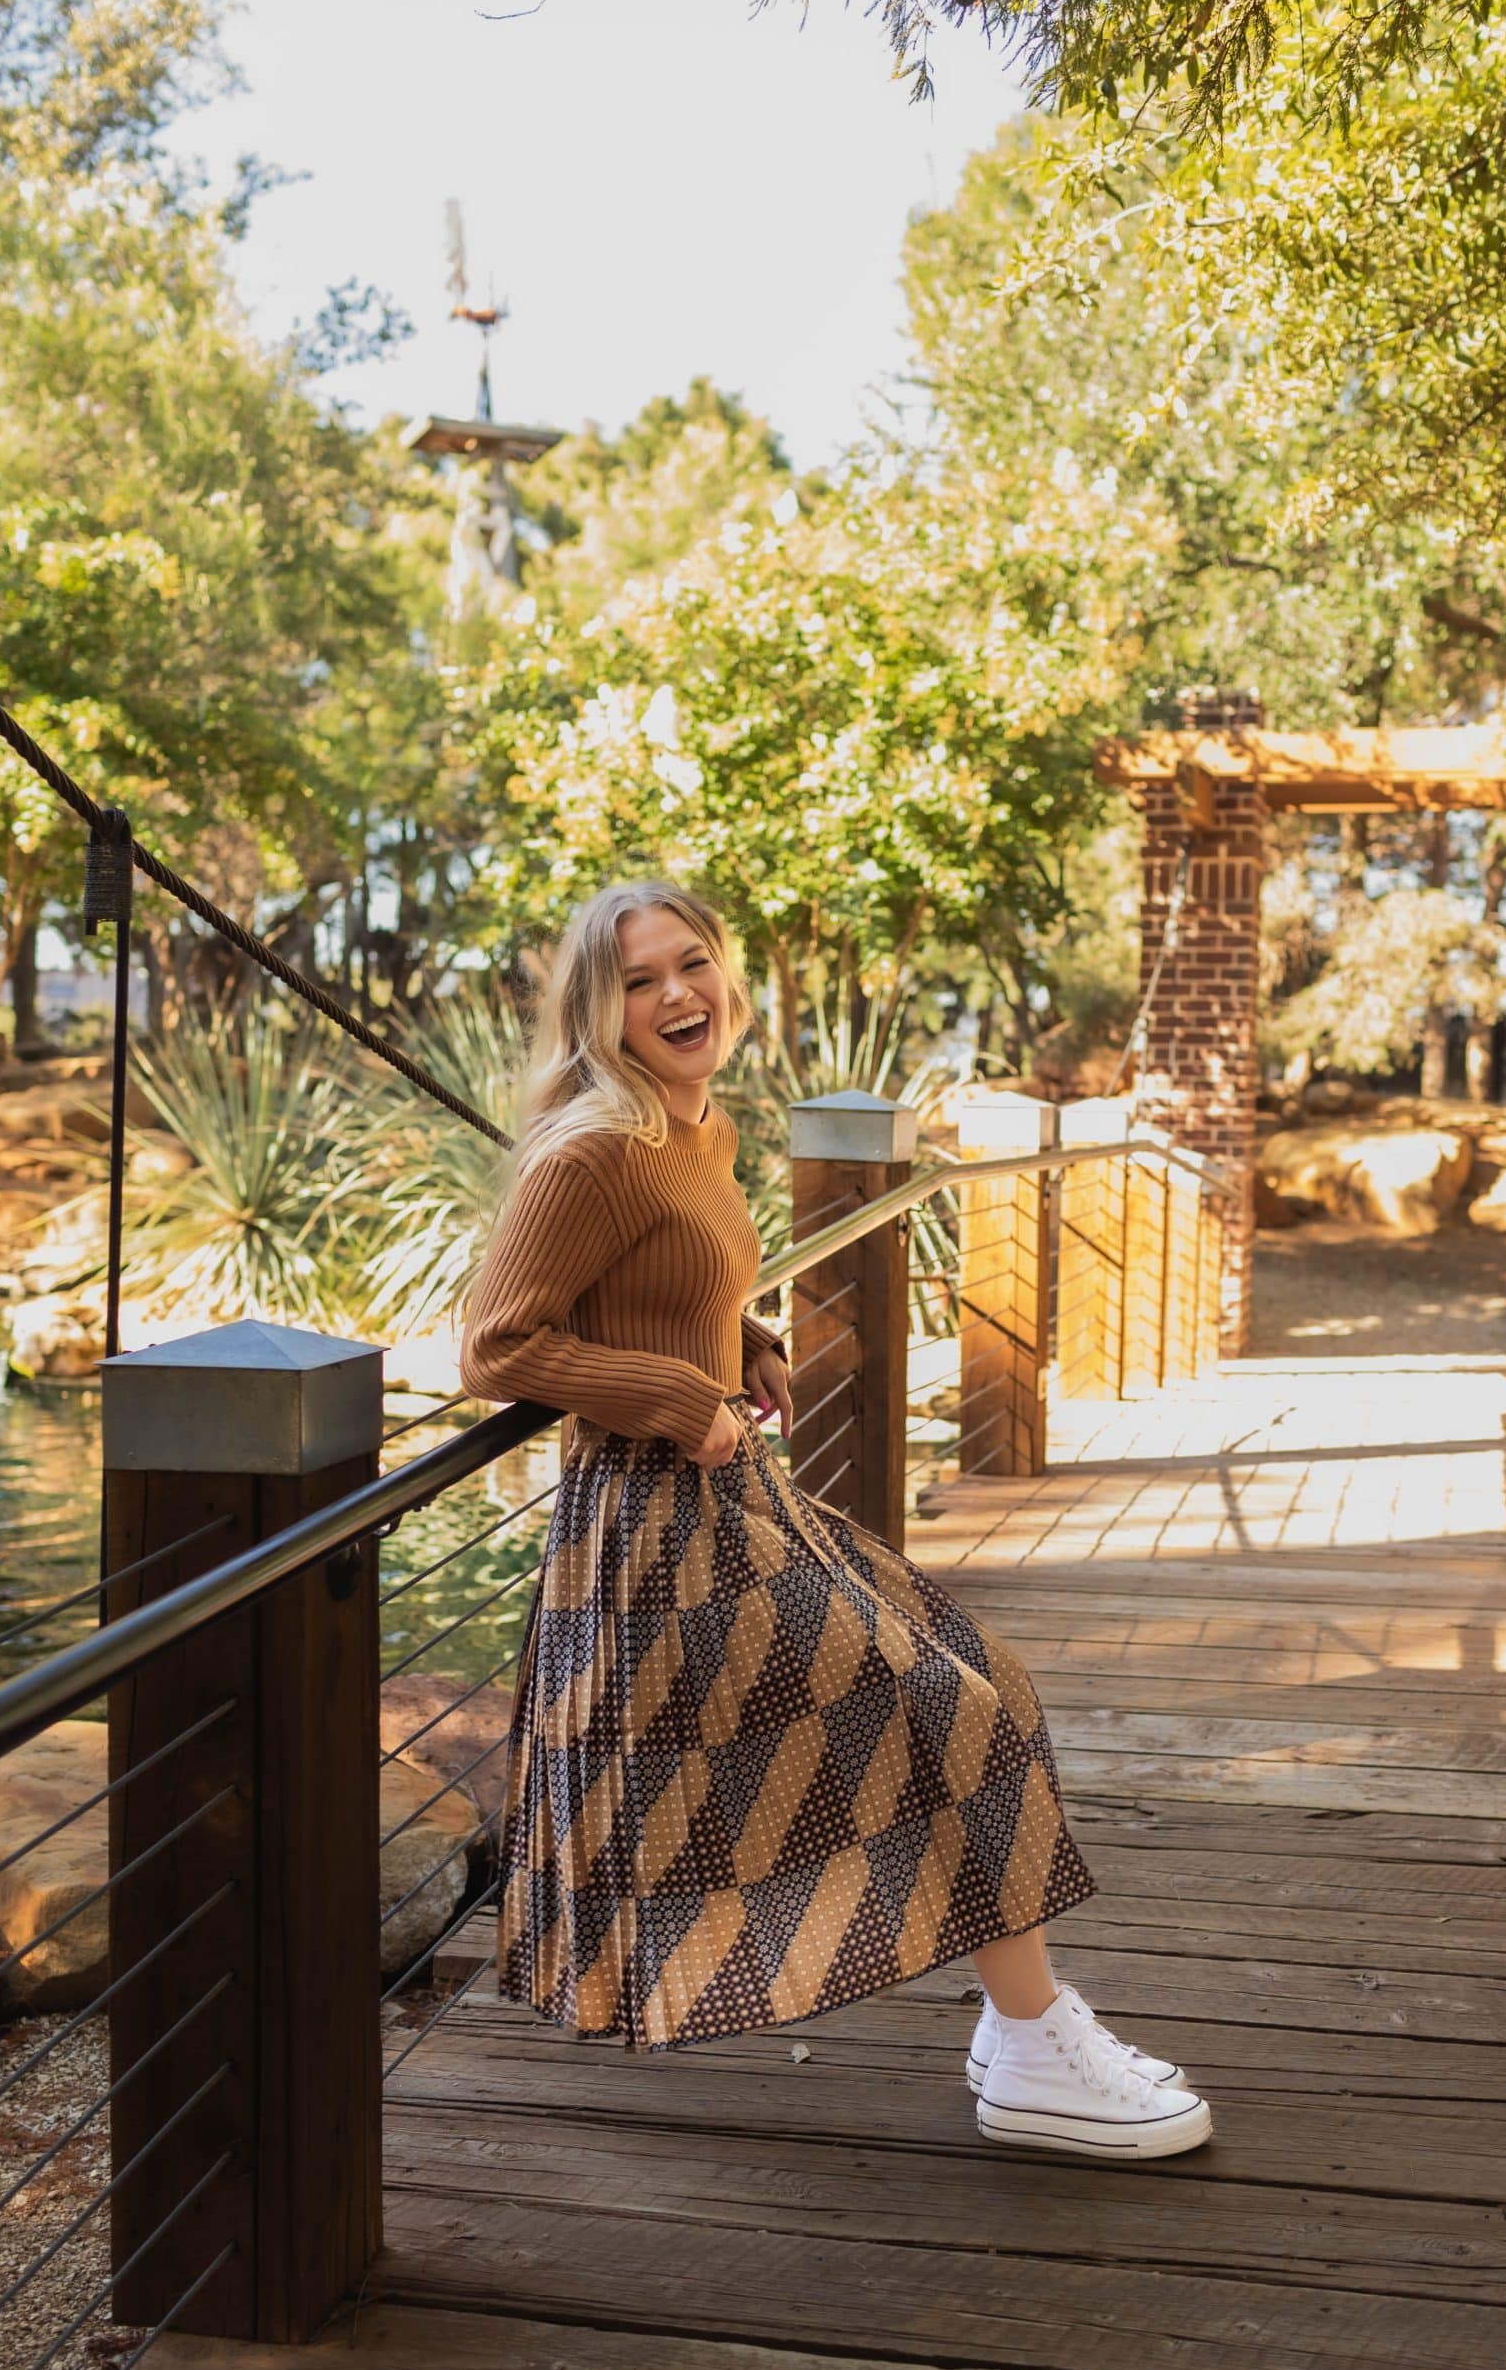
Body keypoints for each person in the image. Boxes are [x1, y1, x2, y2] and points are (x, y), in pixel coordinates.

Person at [459, 878, 1212, 2160]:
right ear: (601, 1009)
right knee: (945, 1712)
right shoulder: (593, 1147)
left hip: (728, 1489)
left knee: (981, 1676)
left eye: (690, 963)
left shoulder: (692, 1132)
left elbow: (654, 1273)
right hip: (653, 1531)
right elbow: (494, 1344)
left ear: (726, 973)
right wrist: (668, 1390)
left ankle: (1017, 2026)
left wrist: (731, 1332)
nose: (675, 994)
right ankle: (1033, 2042)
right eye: (639, 980)